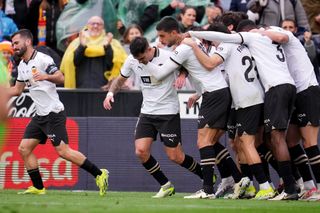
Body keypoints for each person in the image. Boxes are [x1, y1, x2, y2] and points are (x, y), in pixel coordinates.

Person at [187, 19, 299, 200]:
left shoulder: (226, 44)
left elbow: (210, 64)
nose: (212, 46)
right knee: (245, 142)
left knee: (247, 143)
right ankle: (254, 185)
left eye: (211, 42)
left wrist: (193, 43)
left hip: (247, 100)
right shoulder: (245, 45)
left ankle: (266, 186)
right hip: (256, 96)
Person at [142, 16, 250, 199]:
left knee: (203, 141)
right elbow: (190, 65)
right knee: (212, 141)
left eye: (162, 36)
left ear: (174, 33)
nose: (160, 41)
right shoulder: (190, 44)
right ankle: (238, 180)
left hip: (214, 94)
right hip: (217, 92)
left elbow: (160, 73)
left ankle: (207, 189)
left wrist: (143, 60)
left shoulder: (184, 47)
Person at [7, 29, 109, 196]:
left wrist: (46, 76)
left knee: (63, 151)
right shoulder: (22, 65)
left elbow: (61, 77)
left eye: (16, 43)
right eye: (12, 44)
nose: (14, 46)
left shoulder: (43, 59)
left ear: (27, 42)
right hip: (40, 115)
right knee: (24, 149)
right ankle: (39, 188)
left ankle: (100, 174)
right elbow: (17, 90)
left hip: (53, 113)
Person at [103, 36, 204, 198]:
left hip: (168, 112)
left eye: (142, 58)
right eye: (137, 59)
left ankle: (206, 176)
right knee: (141, 151)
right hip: (147, 112)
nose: (140, 62)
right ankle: (166, 185)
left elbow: (186, 65)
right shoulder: (133, 60)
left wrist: (182, 75)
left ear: (149, 49)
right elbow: (120, 79)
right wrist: (110, 93)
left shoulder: (167, 56)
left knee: (176, 157)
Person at [258, 26, 320, 200]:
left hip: (307, 90)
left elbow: (282, 37)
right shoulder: (273, 46)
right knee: (291, 142)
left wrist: (262, 32)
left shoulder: (284, 35)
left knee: (310, 142)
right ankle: (309, 186)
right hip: (295, 93)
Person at [60, 16, 127, 89]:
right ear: (87, 25)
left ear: (103, 27)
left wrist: (107, 47)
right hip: (81, 88)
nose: (95, 26)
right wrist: (82, 46)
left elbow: (112, 64)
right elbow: (74, 62)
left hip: (103, 89)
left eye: (99, 24)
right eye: (93, 24)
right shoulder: (77, 42)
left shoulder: (112, 43)